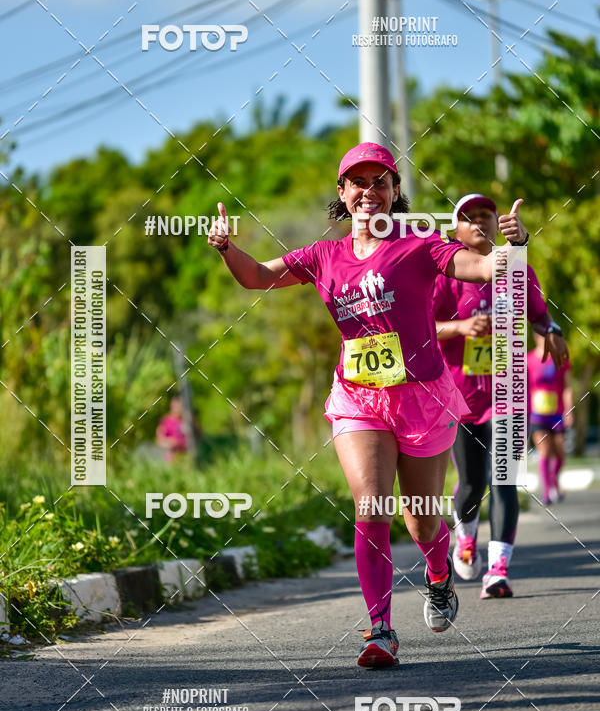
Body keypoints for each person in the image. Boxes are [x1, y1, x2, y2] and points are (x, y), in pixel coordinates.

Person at [208, 144, 529, 669]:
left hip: (422, 398)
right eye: (357, 183)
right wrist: (226, 248)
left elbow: (479, 266)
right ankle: (379, 629)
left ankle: (439, 573)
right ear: (342, 194)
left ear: (395, 192)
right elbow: (257, 277)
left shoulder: (420, 246)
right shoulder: (322, 256)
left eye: (380, 182)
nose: (369, 192)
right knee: (371, 507)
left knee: (421, 521)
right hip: (359, 399)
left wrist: (510, 248)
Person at [433, 193, 569, 599]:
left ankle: (498, 570)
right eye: (468, 217)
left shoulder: (516, 266)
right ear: (455, 229)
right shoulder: (444, 273)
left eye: (485, 215)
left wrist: (554, 332)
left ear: (497, 222)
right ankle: (466, 535)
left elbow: (540, 314)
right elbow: (421, 327)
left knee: (505, 480)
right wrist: (460, 328)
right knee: (472, 484)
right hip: (458, 396)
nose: (478, 222)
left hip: (508, 392)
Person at [528, 331, 573, 504]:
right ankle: (547, 492)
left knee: (560, 450)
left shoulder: (560, 358)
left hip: (557, 413)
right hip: (537, 415)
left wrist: (569, 410)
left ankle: (554, 478)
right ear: (535, 337)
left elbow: (567, 387)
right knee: (545, 452)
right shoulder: (528, 360)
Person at [156, 395, 190, 461]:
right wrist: (171, 442)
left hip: (185, 455)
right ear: (171, 405)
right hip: (171, 455)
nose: (177, 408)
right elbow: (159, 440)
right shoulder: (166, 421)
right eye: (175, 405)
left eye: (179, 405)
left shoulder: (186, 420)